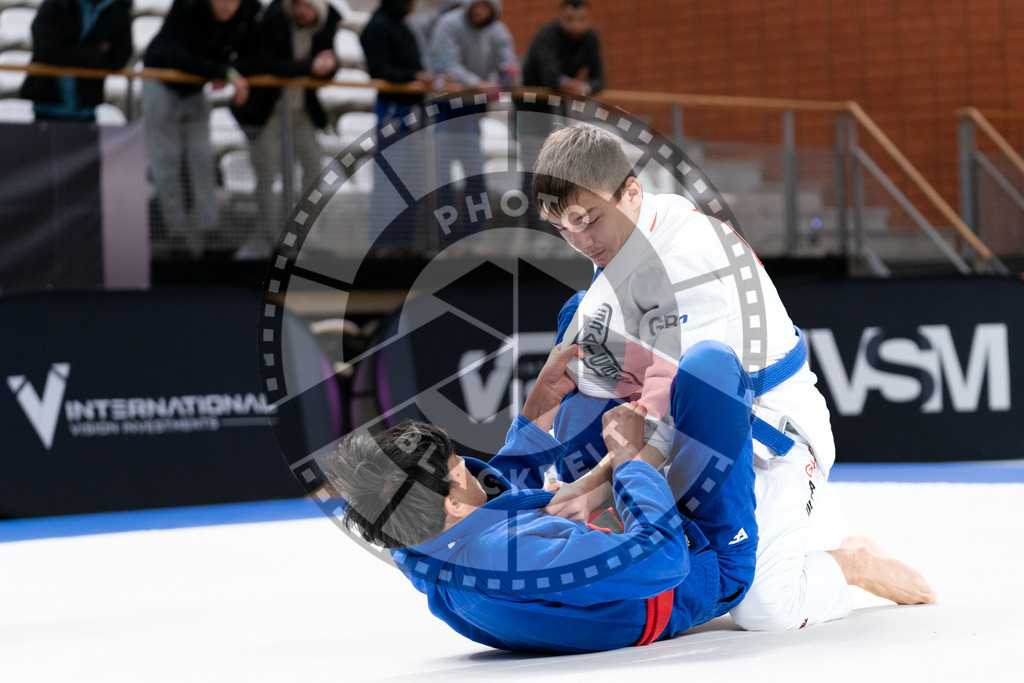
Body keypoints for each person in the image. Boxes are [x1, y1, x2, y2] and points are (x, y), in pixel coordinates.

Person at [530, 124, 937, 631]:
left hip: (769, 432)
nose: (580, 241)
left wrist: (593, 489)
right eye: (563, 227)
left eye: (587, 220)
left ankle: (852, 560)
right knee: (580, 352)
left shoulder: (689, 258)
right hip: (679, 430)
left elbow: (675, 408)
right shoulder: (620, 243)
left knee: (765, 608)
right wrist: (556, 483)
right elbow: (602, 402)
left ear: (631, 191)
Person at [325, 340, 760, 653]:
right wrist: (628, 462)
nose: (471, 467)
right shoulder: (508, 556)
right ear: (452, 503)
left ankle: (645, 432)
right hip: (698, 565)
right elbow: (664, 561)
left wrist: (539, 408)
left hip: (604, 535)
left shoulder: (417, 539)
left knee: (581, 342)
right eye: (461, 468)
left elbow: (489, 514)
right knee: (710, 367)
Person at [141, 0, 260, 257]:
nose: (227, 5)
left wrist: (229, 69)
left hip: (195, 87)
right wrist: (223, 70)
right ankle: (175, 235)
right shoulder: (188, 6)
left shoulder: (249, 12)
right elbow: (177, 55)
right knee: (167, 161)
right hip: (161, 82)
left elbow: (252, 51)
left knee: (202, 159)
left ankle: (210, 232)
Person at [230, 0, 341, 260]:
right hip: (268, 107)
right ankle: (268, 238)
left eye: (308, 7)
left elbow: (326, 63)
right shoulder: (273, 19)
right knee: (266, 171)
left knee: (314, 168)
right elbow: (267, 64)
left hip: (301, 108)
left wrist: (328, 67)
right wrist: (310, 66)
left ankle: (301, 235)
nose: (301, 11)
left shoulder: (327, 24)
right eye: (298, 5)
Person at [427, 0, 517, 242]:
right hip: (445, 108)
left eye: (486, 7)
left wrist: (507, 69)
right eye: (476, 5)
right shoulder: (449, 24)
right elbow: (446, 65)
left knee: (475, 174)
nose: (479, 11)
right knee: (442, 175)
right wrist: (478, 83)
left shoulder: (497, 30)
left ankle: (473, 238)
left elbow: (506, 58)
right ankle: (442, 239)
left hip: (472, 109)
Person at [517, 0, 605, 233]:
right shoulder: (546, 34)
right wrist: (569, 85)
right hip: (530, 109)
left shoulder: (590, 38)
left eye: (581, 20)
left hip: (558, 109)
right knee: (532, 172)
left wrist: (583, 87)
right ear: (560, 17)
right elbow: (549, 74)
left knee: (558, 173)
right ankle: (533, 231)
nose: (576, 25)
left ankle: (556, 231)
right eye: (570, 19)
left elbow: (599, 78)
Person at [360, 0, 434, 254]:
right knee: (389, 177)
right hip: (393, 110)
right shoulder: (378, 26)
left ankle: (405, 241)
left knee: (411, 178)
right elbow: (379, 69)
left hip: (412, 111)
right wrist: (413, 77)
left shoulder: (402, 25)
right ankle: (383, 242)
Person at [20, 0, 133, 122]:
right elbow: (46, 51)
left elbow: (120, 57)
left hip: (87, 106)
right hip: (47, 105)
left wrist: (70, 54)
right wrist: (95, 52)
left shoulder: (118, 9)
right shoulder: (56, 4)